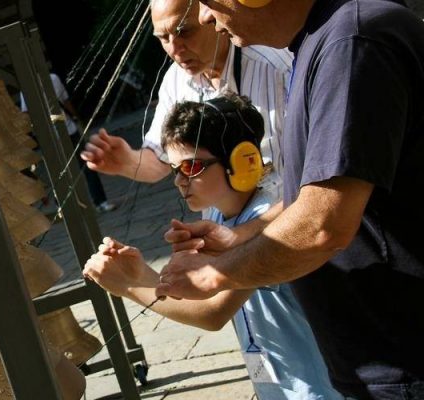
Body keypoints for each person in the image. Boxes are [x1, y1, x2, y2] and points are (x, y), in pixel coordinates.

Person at [142, 1, 424, 398]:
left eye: (209, 1)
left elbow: (323, 225)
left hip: (406, 360)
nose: (206, 17)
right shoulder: (327, 40)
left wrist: (213, 273)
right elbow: (314, 197)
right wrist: (239, 238)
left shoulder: (351, 43)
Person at [85, 94, 341, 399]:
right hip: (278, 384)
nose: (179, 180)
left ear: (241, 161)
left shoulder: (266, 225)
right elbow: (198, 291)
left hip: (314, 388)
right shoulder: (218, 216)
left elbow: (212, 312)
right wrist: (141, 272)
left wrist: (130, 285)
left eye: (191, 167)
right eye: (175, 169)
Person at [80, 0, 291, 206]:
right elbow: (160, 160)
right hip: (223, 221)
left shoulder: (277, 68)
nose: (174, 49)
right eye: (163, 38)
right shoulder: (175, 79)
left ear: (211, 14)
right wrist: (128, 161)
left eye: (184, 31)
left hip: (287, 217)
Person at [21, 72, 116, 212]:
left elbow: (29, 113)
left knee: (79, 167)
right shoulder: (38, 83)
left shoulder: (48, 80)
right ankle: (85, 203)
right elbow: (64, 102)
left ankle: (95, 201)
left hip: (64, 130)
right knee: (68, 170)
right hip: (56, 133)